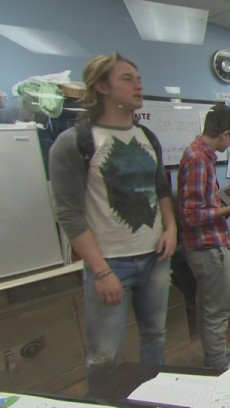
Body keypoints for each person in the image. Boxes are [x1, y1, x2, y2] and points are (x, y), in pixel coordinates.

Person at [48, 53, 177, 387]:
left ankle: (154, 395)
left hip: (156, 257)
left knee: (155, 335)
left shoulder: (148, 137)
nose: (138, 85)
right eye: (126, 78)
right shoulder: (75, 142)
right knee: (105, 354)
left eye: (138, 78)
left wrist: (172, 227)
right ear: (102, 87)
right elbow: (68, 213)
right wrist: (101, 271)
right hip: (110, 263)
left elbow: (162, 189)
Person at [177, 103, 230, 370]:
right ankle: (217, 365)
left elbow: (203, 203)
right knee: (219, 309)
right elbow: (192, 215)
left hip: (205, 245)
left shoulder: (200, 154)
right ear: (225, 134)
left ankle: (214, 353)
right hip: (207, 247)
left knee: (207, 306)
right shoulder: (198, 158)